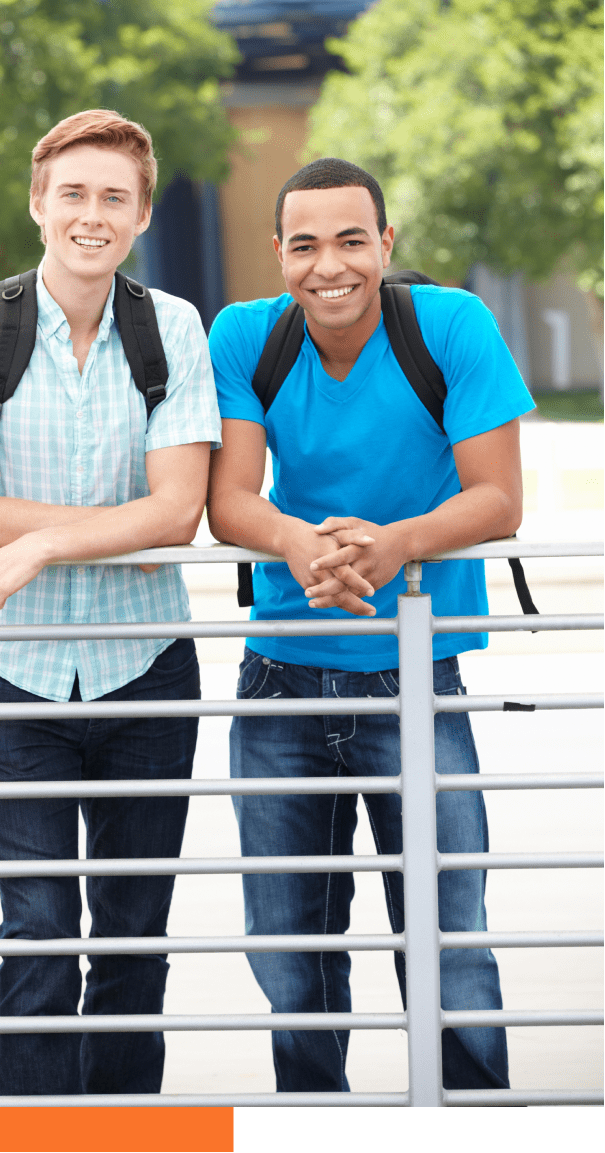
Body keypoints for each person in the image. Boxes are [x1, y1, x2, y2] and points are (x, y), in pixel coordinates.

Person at [0, 109, 221, 1097]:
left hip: (148, 672)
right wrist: (95, 528)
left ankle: (121, 1122)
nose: (92, 214)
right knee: (37, 932)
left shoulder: (171, 327)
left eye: (113, 198)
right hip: (15, 676)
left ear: (137, 217)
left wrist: (38, 538)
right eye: (74, 193)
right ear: (40, 202)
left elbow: (177, 517)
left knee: (133, 936)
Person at [206, 157, 534, 1094]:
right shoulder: (246, 336)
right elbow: (230, 500)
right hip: (281, 678)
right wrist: (296, 542)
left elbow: (499, 497)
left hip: (418, 676)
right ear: (278, 255)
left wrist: (398, 544)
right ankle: (317, 1119)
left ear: (386, 245)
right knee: (290, 950)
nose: (330, 264)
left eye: (353, 240)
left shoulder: (452, 325)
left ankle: (469, 1118)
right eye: (305, 244)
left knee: (449, 938)